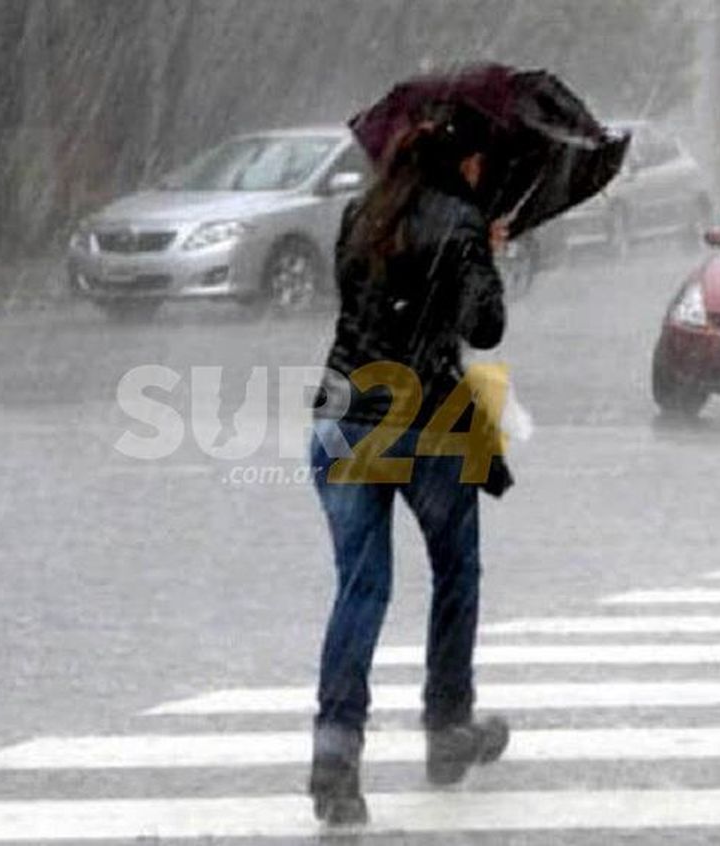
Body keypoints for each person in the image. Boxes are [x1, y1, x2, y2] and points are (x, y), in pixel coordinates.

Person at [307, 106, 510, 826]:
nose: (484, 171)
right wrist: (486, 251)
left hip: (345, 411)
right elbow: (483, 327)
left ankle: (334, 758)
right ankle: (447, 728)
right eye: (481, 161)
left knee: (360, 589)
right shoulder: (460, 222)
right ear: (462, 163)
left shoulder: (360, 215)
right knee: (455, 571)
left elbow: (362, 309)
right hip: (426, 421)